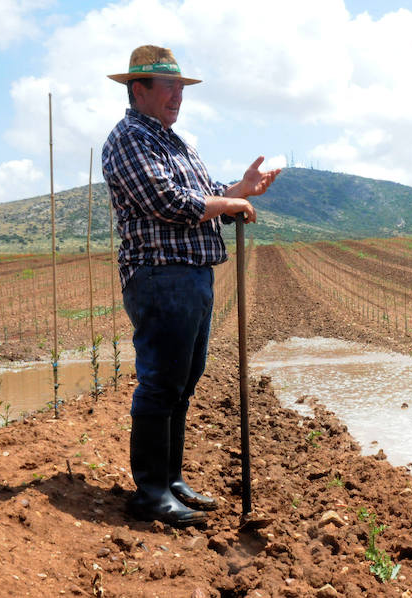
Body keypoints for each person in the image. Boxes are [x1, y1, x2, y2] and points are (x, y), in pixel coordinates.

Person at [102, 45, 280, 526]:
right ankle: (151, 492)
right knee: (161, 382)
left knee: (183, 381)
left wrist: (239, 190)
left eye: (181, 88)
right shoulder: (129, 139)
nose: (178, 96)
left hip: (191, 275)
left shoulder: (173, 140)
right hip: (161, 275)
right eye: (169, 87)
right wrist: (228, 206)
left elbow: (200, 195)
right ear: (139, 90)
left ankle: (171, 479)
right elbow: (170, 201)